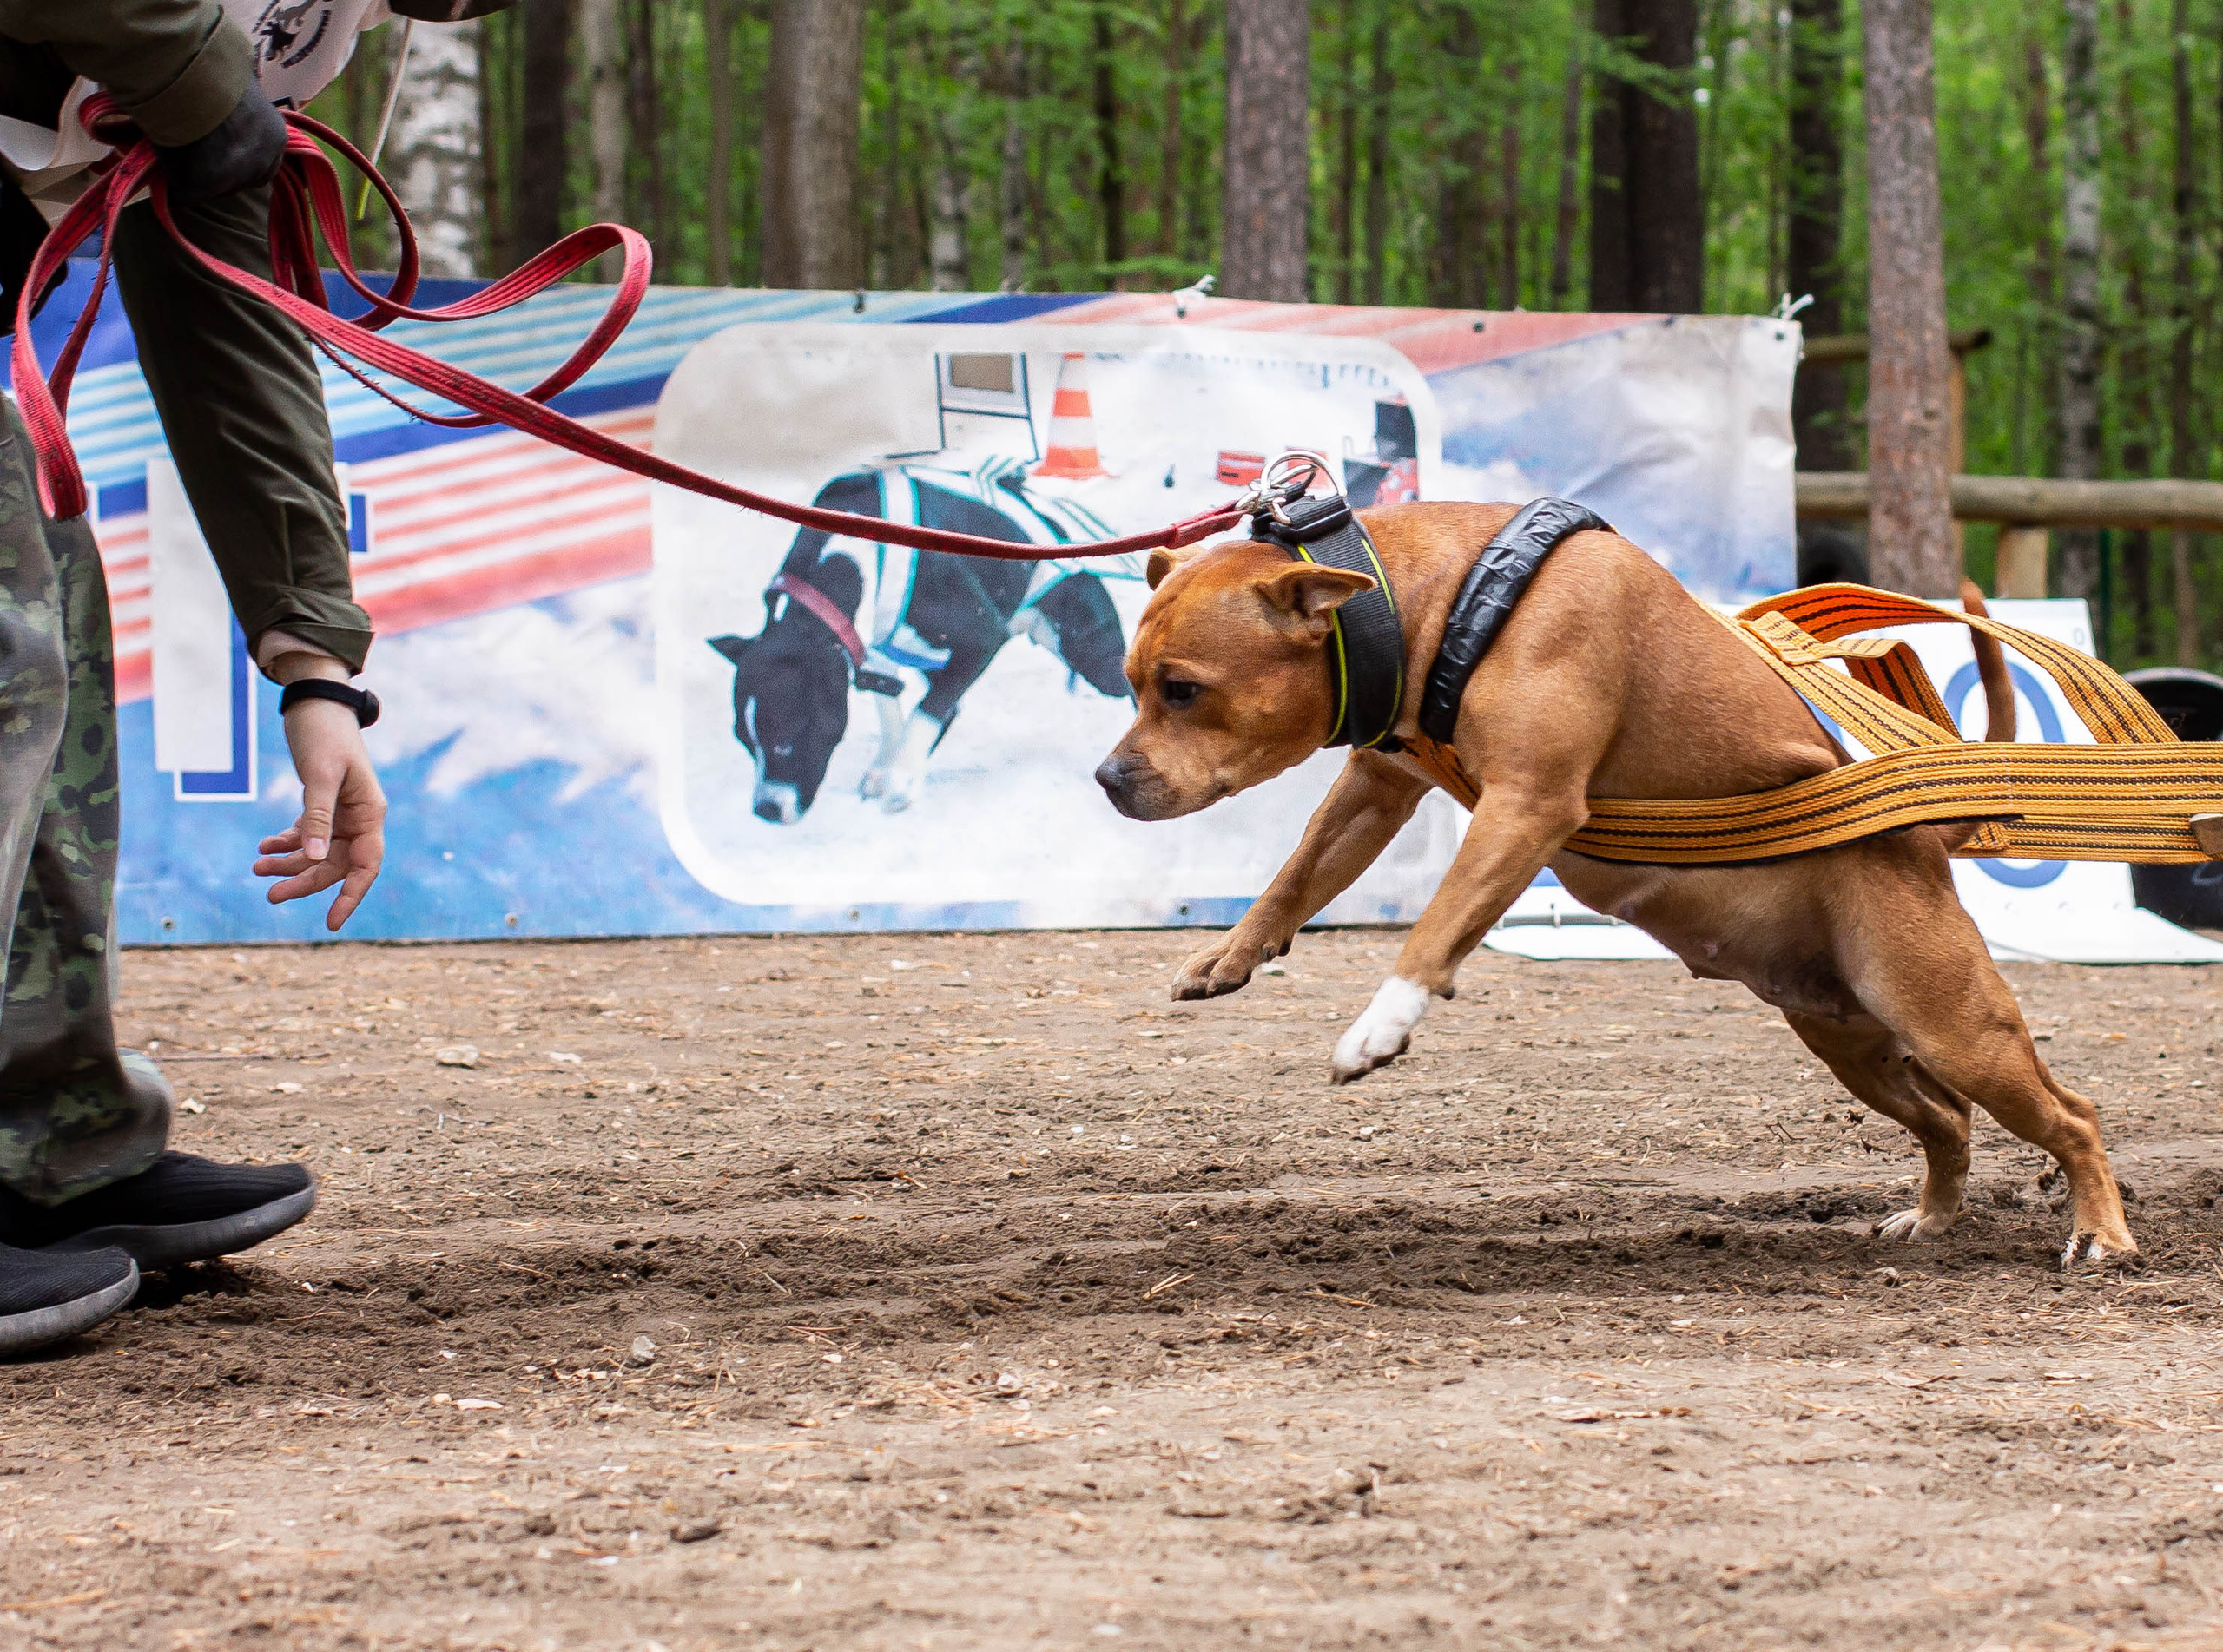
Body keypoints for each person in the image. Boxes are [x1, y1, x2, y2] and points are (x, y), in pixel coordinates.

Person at [0, 1, 515, 1357]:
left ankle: (49, 1149)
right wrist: (191, 74)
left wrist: (317, 669)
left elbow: (224, 303)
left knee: (42, 602)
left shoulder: (309, 26)